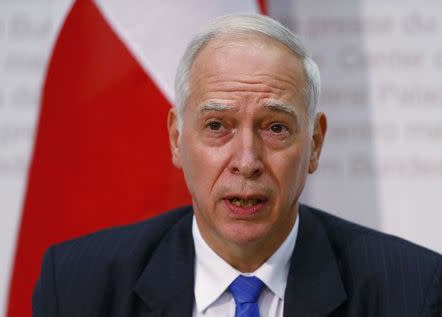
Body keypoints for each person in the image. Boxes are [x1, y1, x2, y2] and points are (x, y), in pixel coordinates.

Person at [33, 14, 442, 316]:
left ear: (314, 144)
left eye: (276, 127)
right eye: (217, 125)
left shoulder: (410, 292)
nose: (247, 162)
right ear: (177, 138)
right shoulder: (78, 287)